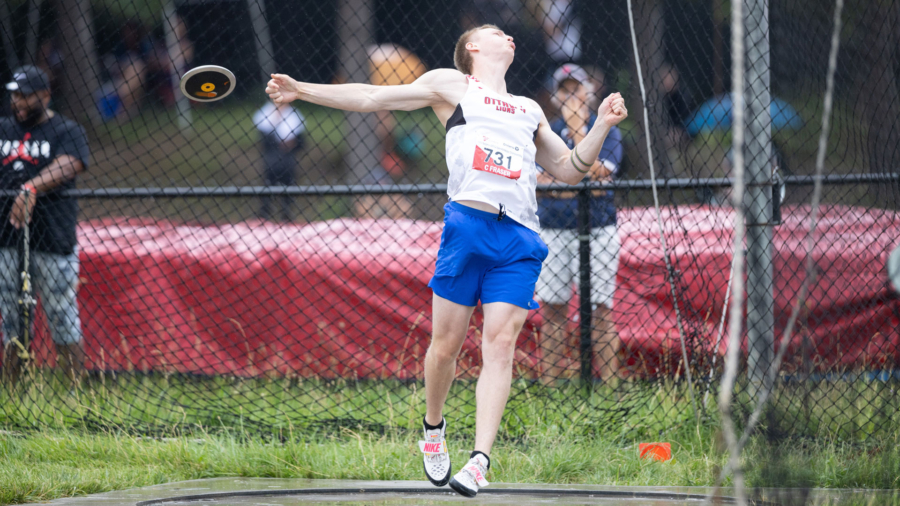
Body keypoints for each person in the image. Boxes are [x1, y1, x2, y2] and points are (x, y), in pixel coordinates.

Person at [265, 24, 627, 497]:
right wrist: (301, 90)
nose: (508, 36)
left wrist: (600, 124)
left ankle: (480, 460)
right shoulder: (453, 85)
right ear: (473, 47)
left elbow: (568, 168)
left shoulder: (528, 108)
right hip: (467, 229)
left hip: (518, 238)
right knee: (445, 348)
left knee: (501, 344)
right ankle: (433, 430)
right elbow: (372, 97)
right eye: (495, 31)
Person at [0, 66, 89, 384]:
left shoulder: (67, 130)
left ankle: (76, 394)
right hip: (7, 239)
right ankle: (12, 392)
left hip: (52, 238)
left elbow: (71, 164)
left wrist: (31, 187)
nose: (18, 102)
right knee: (11, 318)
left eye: (25, 95)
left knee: (62, 314)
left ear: (45, 95)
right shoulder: (3, 129)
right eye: (14, 95)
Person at [535, 64, 623, 384]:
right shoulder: (546, 131)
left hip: (599, 227)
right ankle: (550, 386)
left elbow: (603, 177)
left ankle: (612, 387)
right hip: (555, 226)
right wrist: (581, 174)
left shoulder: (609, 130)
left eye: (577, 88)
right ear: (555, 96)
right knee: (553, 309)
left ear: (589, 92)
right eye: (564, 89)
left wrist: (577, 136)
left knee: (601, 309)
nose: (571, 94)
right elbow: (541, 182)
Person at [253, 101, 306, 221]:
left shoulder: (294, 114)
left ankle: (286, 216)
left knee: (288, 187)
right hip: (271, 158)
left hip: (288, 159)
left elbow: (302, 141)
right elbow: (263, 137)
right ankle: (264, 216)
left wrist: (292, 143)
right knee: (268, 186)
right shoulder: (266, 112)